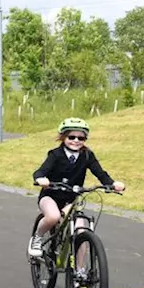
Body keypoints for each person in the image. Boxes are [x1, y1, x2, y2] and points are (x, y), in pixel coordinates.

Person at [28, 118, 125, 275]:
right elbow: (40, 171)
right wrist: (41, 179)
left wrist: (112, 184)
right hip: (51, 196)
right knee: (52, 216)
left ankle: (80, 271)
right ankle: (37, 238)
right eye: (71, 137)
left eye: (81, 138)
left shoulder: (87, 155)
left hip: (71, 200)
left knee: (81, 231)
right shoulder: (55, 154)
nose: (76, 141)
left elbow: (100, 173)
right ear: (63, 137)